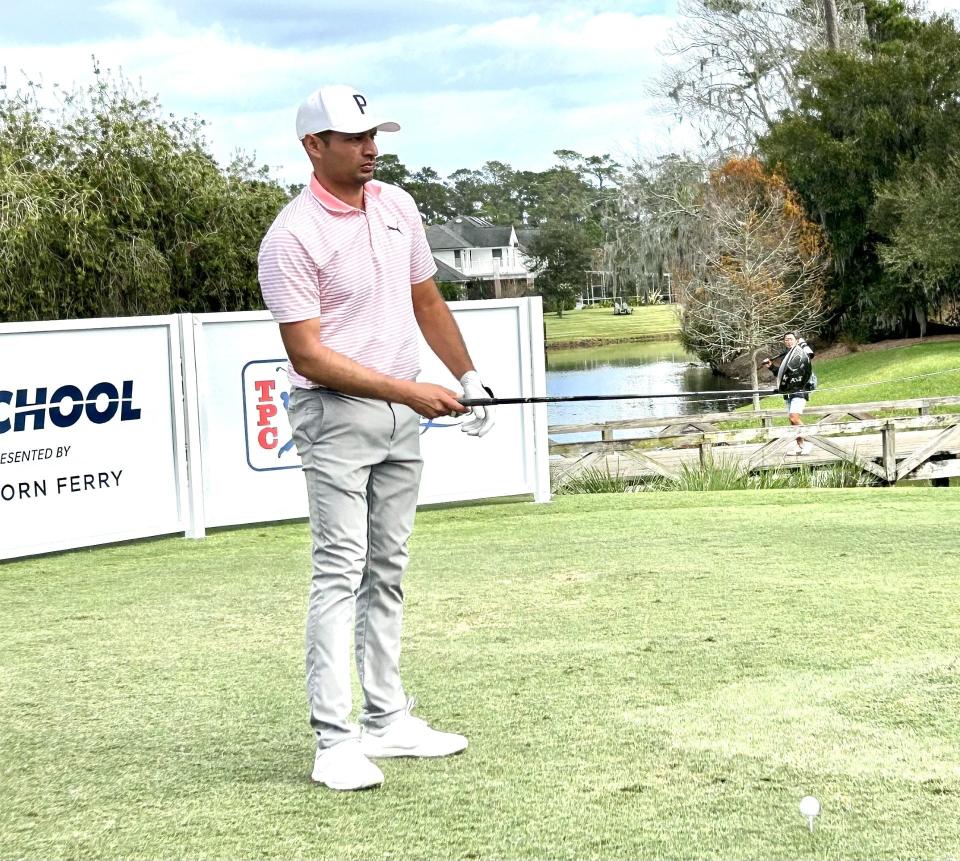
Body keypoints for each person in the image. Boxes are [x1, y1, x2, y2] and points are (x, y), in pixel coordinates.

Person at [258, 84, 495, 792]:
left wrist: (467, 372)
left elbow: (426, 298)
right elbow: (308, 354)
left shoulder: (398, 206)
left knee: (387, 566)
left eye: (374, 135)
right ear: (313, 147)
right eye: (354, 137)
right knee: (340, 570)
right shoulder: (291, 236)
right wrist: (412, 391)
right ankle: (334, 739)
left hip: (400, 418)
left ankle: (387, 717)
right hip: (334, 417)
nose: (371, 148)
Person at [763, 332, 815, 455]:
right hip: (788, 393)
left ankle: (809, 442)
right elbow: (784, 377)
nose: (788, 341)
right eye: (786, 340)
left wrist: (803, 344)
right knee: (792, 421)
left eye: (791, 339)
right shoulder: (786, 356)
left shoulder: (800, 354)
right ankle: (800, 446)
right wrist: (771, 367)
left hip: (800, 391)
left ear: (796, 341)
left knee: (794, 418)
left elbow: (809, 358)